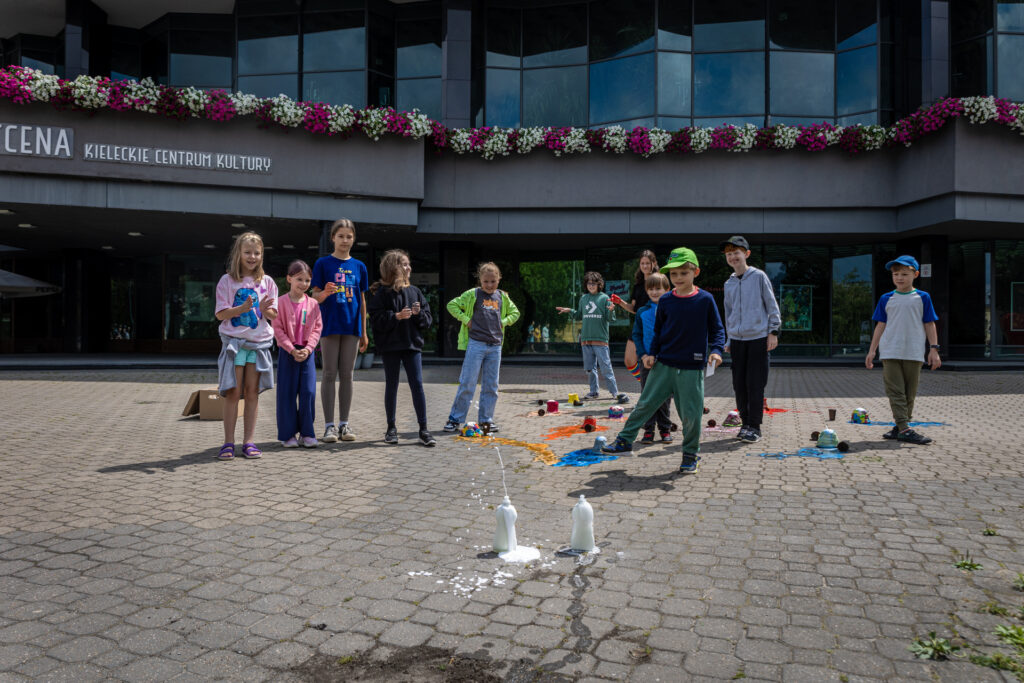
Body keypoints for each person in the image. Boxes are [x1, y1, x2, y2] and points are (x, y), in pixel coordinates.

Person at [603, 247, 725, 474]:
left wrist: (717, 350)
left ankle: (690, 455)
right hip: (663, 364)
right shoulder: (667, 300)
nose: (678, 278)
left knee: (691, 415)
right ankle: (624, 441)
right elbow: (659, 332)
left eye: (683, 273)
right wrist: (649, 355)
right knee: (645, 405)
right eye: (674, 274)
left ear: (695, 272)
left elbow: (717, 329)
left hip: (691, 368)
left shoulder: (705, 299)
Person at [214, 232, 279, 460]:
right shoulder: (227, 281)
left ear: (262, 255)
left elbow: (273, 315)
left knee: (252, 393)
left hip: (258, 346)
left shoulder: (268, 282)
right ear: (238, 254)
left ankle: (249, 442)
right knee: (233, 393)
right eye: (247, 252)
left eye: (257, 253)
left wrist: (261, 308)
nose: (252, 257)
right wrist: (241, 309)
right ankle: (228, 442)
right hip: (234, 345)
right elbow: (221, 314)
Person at [865, 255, 941, 444]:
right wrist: (872, 350)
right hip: (890, 351)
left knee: (909, 393)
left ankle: (899, 427)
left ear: (915, 274)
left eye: (904, 274)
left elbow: (929, 323)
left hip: (914, 352)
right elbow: (880, 325)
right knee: (896, 391)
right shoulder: (886, 298)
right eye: (896, 274)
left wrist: (934, 349)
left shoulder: (923, 297)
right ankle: (905, 428)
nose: (900, 278)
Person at [367, 249, 436, 447]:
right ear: (393, 268)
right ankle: (391, 428)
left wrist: (418, 314)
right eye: (404, 264)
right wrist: (396, 316)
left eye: (408, 264)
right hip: (391, 347)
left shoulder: (415, 291)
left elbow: (427, 319)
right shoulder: (382, 293)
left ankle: (423, 429)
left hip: (412, 345)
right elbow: (376, 319)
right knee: (392, 385)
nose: (409, 268)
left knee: (417, 385)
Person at [443, 262, 521, 433]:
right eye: (486, 281)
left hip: (495, 347)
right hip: (476, 344)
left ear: (499, 280)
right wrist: (466, 320)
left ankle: (486, 420)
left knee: (491, 385)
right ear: (480, 280)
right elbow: (452, 305)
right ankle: (455, 419)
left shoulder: (502, 297)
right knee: (467, 382)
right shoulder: (473, 294)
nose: (489, 285)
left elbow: (515, 313)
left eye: (493, 281)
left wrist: (504, 322)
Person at [311, 218, 368, 444]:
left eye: (349, 236)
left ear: (353, 239)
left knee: (347, 375)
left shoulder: (359, 266)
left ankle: (344, 424)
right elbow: (314, 297)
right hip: (329, 326)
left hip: (352, 328)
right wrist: (324, 293)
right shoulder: (322, 264)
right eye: (341, 236)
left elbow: (362, 301)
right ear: (332, 238)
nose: (345, 240)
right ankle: (328, 427)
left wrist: (364, 332)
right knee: (328, 374)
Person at [720, 235, 781, 444]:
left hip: (758, 338)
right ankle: (745, 424)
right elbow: (728, 313)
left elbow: (771, 305)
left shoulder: (758, 277)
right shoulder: (728, 283)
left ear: (746, 254)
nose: (733, 257)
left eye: (736, 253)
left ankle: (754, 426)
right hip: (737, 341)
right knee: (739, 384)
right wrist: (728, 339)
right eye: (729, 254)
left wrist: (773, 331)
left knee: (755, 383)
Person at [556, 271, 629, 403]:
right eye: (589, 283)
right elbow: (579, 315)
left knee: (606, 368)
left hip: (600, 340)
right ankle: (594, 392)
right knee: (589, 369)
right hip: (585, 340)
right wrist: (569, 311)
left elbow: (610, 319)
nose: (591, 286)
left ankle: (614, 392)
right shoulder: (583, 298)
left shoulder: (604, 298)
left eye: (593, 283)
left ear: (599, 284)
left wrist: (612, 310)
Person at [272, 260, 322, 449]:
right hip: (288, 353)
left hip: (307, 353)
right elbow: (277, 329)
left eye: (307, 280)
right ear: (289, 279)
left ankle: (307, 433)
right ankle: (288, 435)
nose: (303, 284)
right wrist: (291, 349)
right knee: (287, 393)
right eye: (299, 279)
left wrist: (308, 349)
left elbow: (317, 328)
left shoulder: (313, 304)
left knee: (308, 392)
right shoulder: (280, 303)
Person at [631, 272, 674, 443]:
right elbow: (637, 335)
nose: (654, 292)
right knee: (647, 396)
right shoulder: (642, 312)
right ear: (646, 290)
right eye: (651, 289)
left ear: (667, 289)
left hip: (666, 361)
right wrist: (642, 355)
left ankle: (665, 429)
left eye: (658, 288)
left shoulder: (672, 310)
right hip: (647, 361)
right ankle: (648, 430)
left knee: (664, 397)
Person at [613, 250, 659, 380]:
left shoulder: (658, 282)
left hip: (653, 327)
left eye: (647, 263)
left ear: (653, 263)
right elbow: (634, 309)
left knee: (653, 362)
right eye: (642, 263)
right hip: (639, 327)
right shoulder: (638, 285)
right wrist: (620, 302)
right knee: (629, 361)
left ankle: (653, 387)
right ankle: (646, 383)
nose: (644, 266)